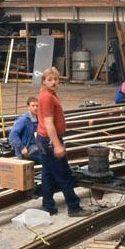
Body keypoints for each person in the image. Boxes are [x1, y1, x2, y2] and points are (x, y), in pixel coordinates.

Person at [37, 67, 85, 217]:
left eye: (56, 79)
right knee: (63, 174)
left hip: (45, 139)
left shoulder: (49, 94)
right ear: (44, 81)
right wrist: (57, 144)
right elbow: (49, 122)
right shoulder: (47, 97)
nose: (53, 82)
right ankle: (74, 207)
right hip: (50, 140)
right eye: (50, 80)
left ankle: (49, 206)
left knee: (48, 174)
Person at [8, 96, 41, 162]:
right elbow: (12, 135)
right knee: (47, 159)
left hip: (36, 147)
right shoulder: (23, 120)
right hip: (26, 149)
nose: (35, 108)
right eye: (33, 106)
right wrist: (22, 147)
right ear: (28, 107)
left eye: (37, 106)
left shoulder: (38, 119)